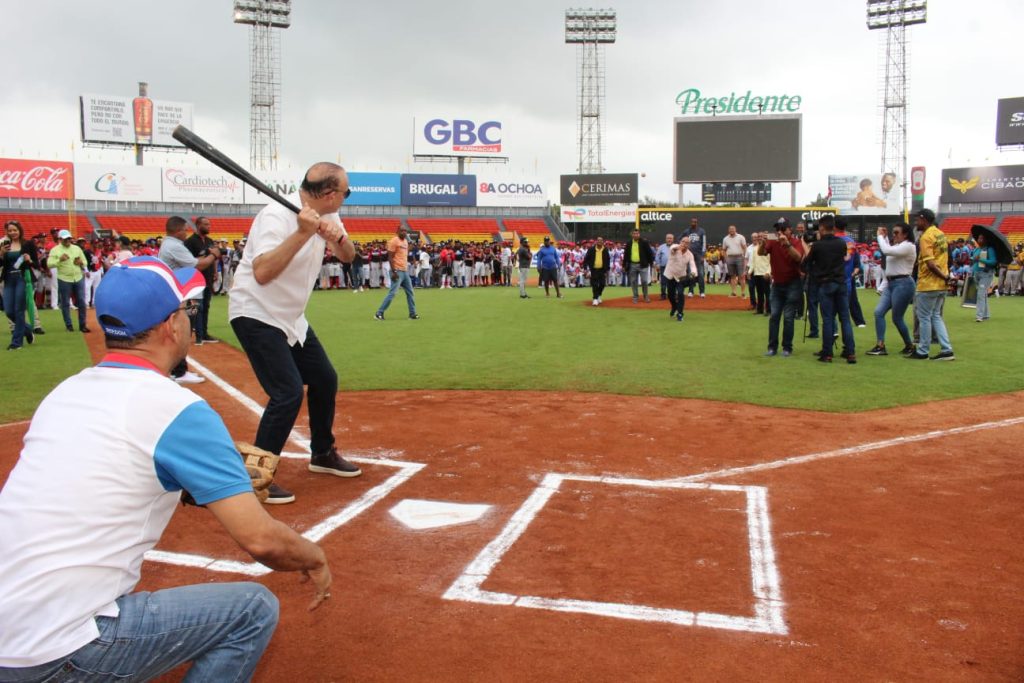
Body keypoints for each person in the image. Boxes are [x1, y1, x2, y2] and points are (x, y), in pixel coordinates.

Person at [0, 256, 332, 681]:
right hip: (53, 652)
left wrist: (193, 480)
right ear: (170, 327)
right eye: (184, 311)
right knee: (251, 610)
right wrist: (315, 557)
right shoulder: (177, 409)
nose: (188, 320)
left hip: (12, 629)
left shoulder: (67, 391)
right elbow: (262, 540)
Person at [229, 162, 359, 504]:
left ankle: (322, 453)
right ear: (330, 195)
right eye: (346, 192)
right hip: (256, 312)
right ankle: (257, 474)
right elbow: (262, 272)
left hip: (291, 317)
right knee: (286, 391)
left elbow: (349, 257)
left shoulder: (329, 216)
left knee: (324, 379)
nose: (346, 197)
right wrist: (303, 232)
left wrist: (337, 238)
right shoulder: (275, 216)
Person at [159, 216, 219, 386]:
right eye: (184, 229)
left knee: (180, 330)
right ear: (178, 231)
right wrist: (213, 255)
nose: (187, 232)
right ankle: (179, 372)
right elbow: (197, 265)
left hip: (177, 292)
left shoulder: (169, 244)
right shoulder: (175, 246)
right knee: (183, 330)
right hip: (181, 294)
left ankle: (178, 369)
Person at [804, 215, 855, 364]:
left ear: (821, 227)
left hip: (825, 283)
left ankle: (827, 353)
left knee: (827, 319)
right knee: (845, 318)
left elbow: (807, 264)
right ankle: (850, 352)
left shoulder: (818, 246)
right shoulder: (841, 243)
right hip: (840, 283)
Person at [908, 209, 954, 361]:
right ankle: (946, 349)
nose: (916, 223)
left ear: (923, 219)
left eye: (917, 220)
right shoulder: (940, 233)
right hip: (941, 284)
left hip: (928, 283)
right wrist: (946, 277)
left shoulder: (926, 236)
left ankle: (923, 350)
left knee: (924, 317)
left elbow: (930, 263)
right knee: (936, 317)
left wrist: (944, 276)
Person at [867, 223, 917, 357]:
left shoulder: (908, 246)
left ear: (905, 234)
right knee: (879, 312)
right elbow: (889, 249)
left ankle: (910, 345)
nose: (894, 235)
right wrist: (885, 237)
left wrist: (880, 237)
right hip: (892, 283)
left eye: (896, 233)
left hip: (903, 283)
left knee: (897, 317)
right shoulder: (900, 246)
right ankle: (881, 345)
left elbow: (887, 251)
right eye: (893, 232)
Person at [760, 218, 805, 357]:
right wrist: (762, 243)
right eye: (777, 230)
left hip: (793, 283)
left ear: (789, 230)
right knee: (774, 316)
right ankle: (772, 348)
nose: (779, 232)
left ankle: (787, 348)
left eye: (782, 229)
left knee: (788, 317)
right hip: (777, 284)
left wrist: (787, 245)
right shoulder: (773, 242)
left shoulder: (796, 242)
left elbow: (798, 258)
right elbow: (761, 253)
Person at [2, 220, 39, 350]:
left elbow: (37, 265)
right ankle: (28, 330)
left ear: (20, 230)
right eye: (10, 230)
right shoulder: (4, 245)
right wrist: (1, 254)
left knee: (18, 310)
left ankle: (16, 343)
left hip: (23, 278)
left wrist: (29, 260)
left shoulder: (28, 244)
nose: (12, 232)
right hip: (8, 279)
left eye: (15, 230)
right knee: (9, 311)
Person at [184, 216, 221, 344]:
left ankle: (204, 334)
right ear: (198, 225)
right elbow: (188, 261)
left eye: (209, 224)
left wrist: (215, 272)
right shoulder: (190, 242)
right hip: (196, 279)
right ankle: (198, 336)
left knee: (206, 306)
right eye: (206, 224)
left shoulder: (210, 241)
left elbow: (215, 257)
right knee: (197, 307)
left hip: (208, 277)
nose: (209, 226)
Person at [46, 229, 90, 333]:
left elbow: (85, 262)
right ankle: (69, 325)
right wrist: (59, 260)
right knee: (65, 302)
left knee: (81, 302)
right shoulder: (55, 250)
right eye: (65, 239)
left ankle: (82, 325)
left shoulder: (77, 248)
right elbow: (49, 264)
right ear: (60, 239)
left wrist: (80, 262)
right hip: (64, 278)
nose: (67, 240)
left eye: (69, 238)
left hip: (78, 277)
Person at [375, 224, 418, 321]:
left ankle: (412, 313)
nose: (404, 232)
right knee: (393, 293)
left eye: (405, 231)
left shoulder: (405, 241)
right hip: (397, 271)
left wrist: (411, 241)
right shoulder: (394, 241)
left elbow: (407, 251)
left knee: (410, 292)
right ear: (397, 231)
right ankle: (379, 313)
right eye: (402, 231)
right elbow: (390, 257)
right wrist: (394, 271)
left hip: (405, 270)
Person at [663, 237, 699, 322]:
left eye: (687, 243)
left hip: (681, 277)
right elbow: (672, 249)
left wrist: (693, 273)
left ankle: (680, 313)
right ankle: (674, 307)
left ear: (689, 244)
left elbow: (693, 265)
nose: (684, 244)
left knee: (680, 294)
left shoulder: (690, 254)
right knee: (670, 295)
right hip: (670, 275)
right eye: (683, 241)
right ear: (680, 242)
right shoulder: (675, 247)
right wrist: (678, 247)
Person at [970, 230, 998, 323]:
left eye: (981, 238)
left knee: (980, 294)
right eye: (978, 238)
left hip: (986, 274)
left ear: (986, 240)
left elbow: (993, 261)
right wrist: (972, 269)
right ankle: (986, 314)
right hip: (977, 274)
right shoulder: (977, 249)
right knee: (983, 294)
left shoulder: (989, 249)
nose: (979, 240)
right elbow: (974, 261)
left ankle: (979, 316)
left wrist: (981, 259)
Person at [623, 228, 654, 303]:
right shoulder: (629, 243)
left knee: (644, 281)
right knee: (633, 282)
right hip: (632, 264)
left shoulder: (644, 242)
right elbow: (626, 255)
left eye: (637, 234)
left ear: (639, 234)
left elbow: (650, 253)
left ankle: (646, 296)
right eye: (634, 234)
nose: (635, 235)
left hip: (643, 265)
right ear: (632, 235)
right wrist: (624, 265)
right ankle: (635, 297)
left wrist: (651, 263)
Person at [748, 232, 772, 315]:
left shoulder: (768, 248)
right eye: (758, 237)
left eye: (761, 237)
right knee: (759, 293)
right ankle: (760, 310)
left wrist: (768, 272)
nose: (759, 238)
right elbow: (753, 262)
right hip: (757, 274)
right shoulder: (755, 249)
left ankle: (769, 310)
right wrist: (749, 272)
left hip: (765, 274)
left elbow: (771, 262)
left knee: (767, 293)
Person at [583, 236, 611, 306]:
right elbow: (586, 259)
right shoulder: (591, 249)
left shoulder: (605, 250)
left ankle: (598, 295)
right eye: (598, 240)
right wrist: (585, 268)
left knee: (602, 284)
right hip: (594, 269)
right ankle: (595, 299)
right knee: (594, 284)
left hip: (602, 270)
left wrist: (607, 269)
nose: (599, 242)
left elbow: (608, 259)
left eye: (601, 241)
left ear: (602, 242)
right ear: (596, 241)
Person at [683, 217, 707, 298]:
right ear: (690, 222)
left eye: (695, 222)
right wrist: (684, 248)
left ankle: (702, 292)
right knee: (691, 273)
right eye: (692, 222)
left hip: (699, 255)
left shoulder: (702, 231)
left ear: (697, 223)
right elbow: (680, 240)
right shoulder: (686, 231)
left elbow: (704, 243)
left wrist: (703, 255)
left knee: (700, 273)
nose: (694, 223)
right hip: (689, 255)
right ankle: (691, 291)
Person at [722, 225, 748, 297]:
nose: (731, 231)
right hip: (730, 258)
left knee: (741, 276)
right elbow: (724, 250)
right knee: (732, 276)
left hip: (740, 257)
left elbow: (745, 247)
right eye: (730, 230)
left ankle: (743, 293)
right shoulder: (725, 239)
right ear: (728, 230)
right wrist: (726, 258)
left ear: (735, 230)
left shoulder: (741, 237)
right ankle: (734, 292)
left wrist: (744, 256)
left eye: (733, 229)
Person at [655, 233, 674, 300]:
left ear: (673, 239)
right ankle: (663, 295)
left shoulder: (676, 247)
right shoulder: (661, 247)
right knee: (663, 282)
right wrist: (657, 264)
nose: (669, 239)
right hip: (664, 267)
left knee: (672, 282)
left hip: (673, 268)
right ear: (666, 239)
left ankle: (671, 295)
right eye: (668, 238)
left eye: (670, 238)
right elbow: (657, 256)